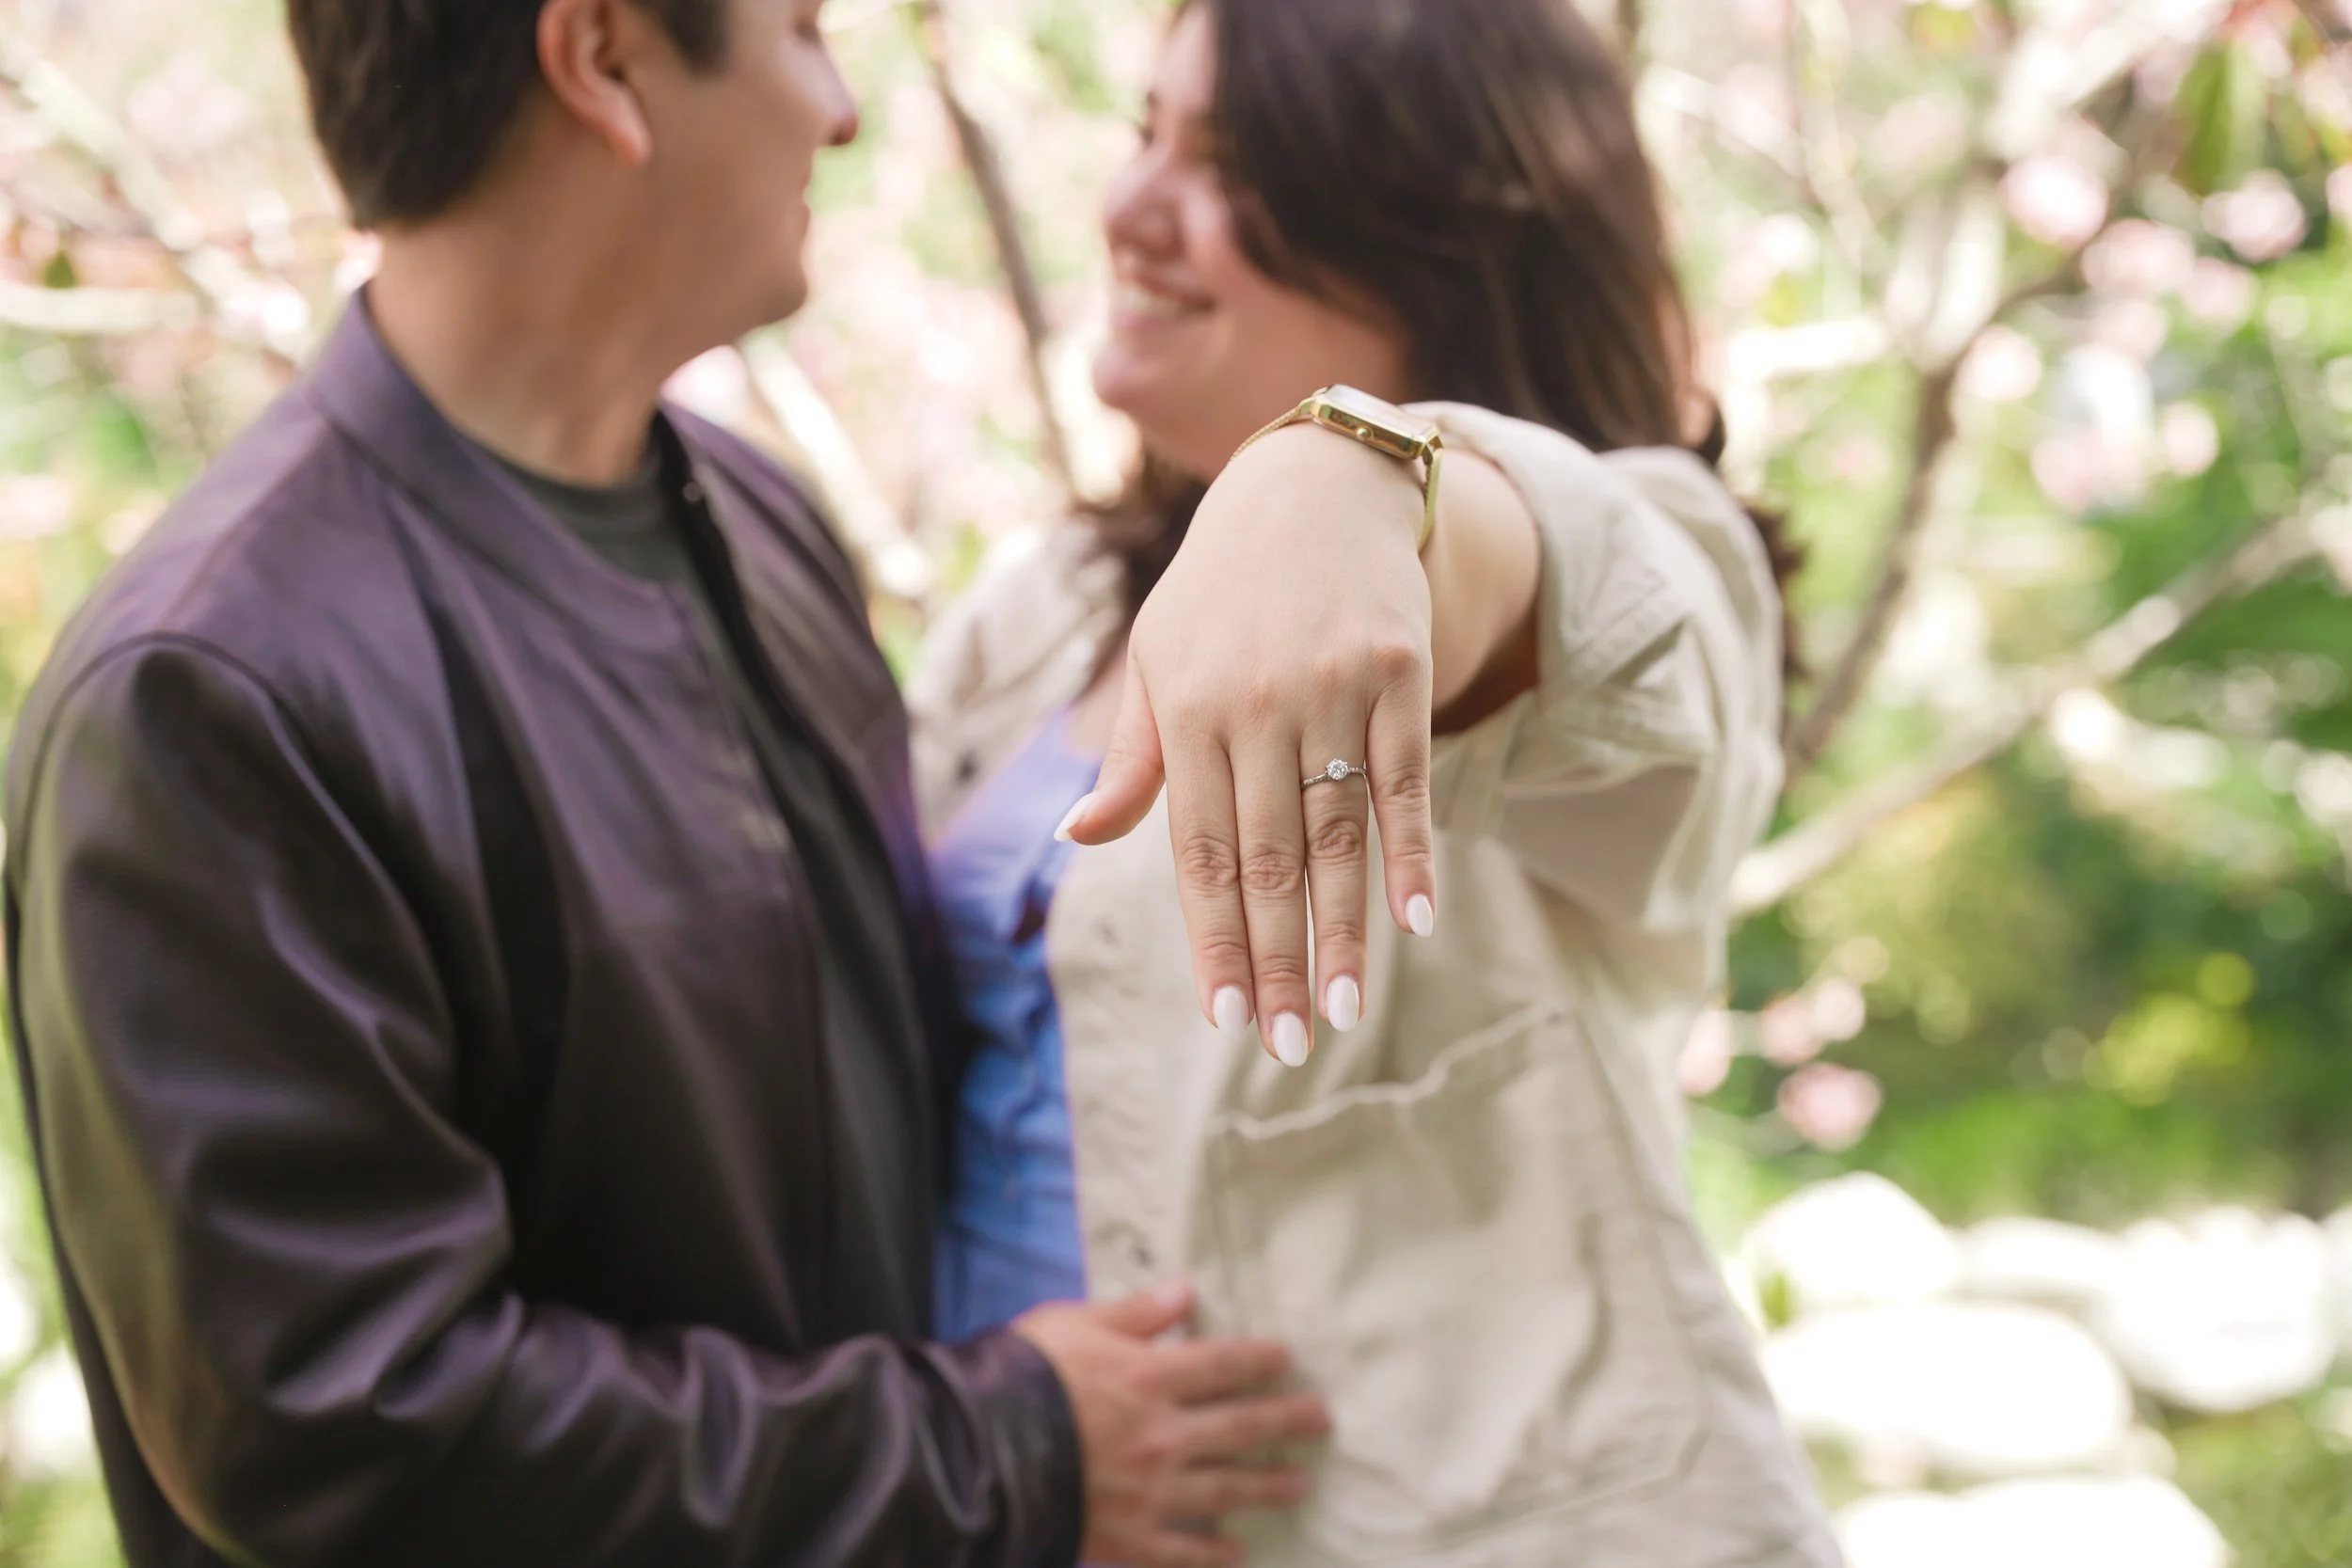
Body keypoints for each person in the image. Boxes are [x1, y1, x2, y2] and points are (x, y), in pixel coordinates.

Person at [0, 0, 1488, 1561]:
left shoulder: (762, 529)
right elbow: (340, 1425)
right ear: (606, 61)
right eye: (799, 28)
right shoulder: (214, 692)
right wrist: (1000, 1453)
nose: (841, 109)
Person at [910, 1, 1841, 1564]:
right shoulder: (1044, 605)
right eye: (1146, 133)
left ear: (1430, 232)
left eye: (1234, 165)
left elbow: (1570, 592)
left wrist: (1347, 472)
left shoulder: (1639, 560)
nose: (1130, 208)